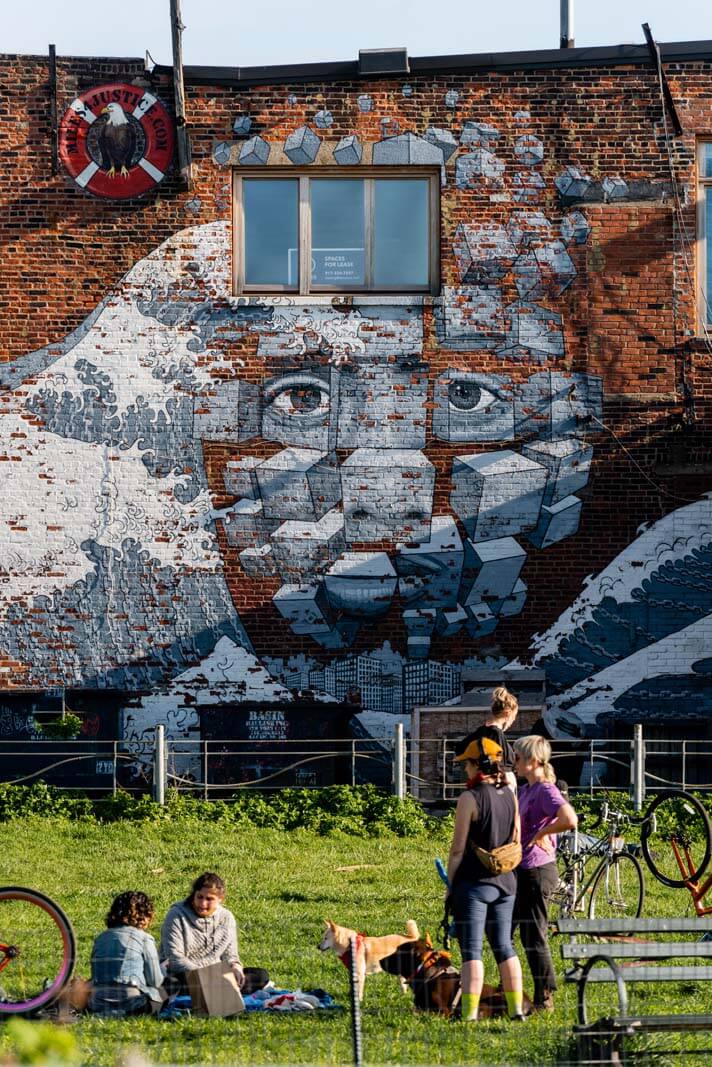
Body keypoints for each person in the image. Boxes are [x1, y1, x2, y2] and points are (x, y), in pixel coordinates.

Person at [447, 735, 525, 1023]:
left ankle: (468, 1014)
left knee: (472, 951)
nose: (464, 770)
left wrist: (450, 885)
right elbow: (516, 837)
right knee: (505, 946)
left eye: (466, 765)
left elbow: (457, 849)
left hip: (474, 884)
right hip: (506, 882)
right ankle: (516, 1010)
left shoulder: (469, 798)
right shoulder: (511, 795)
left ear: (476, 765)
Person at [512, 735, 578, 1013]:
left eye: (517, 757)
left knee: (533, 934)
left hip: (538, 871)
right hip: (523, 869)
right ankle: (524, 992)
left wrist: (542, 832)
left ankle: (545, 995)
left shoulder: (544, 790)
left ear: (534, 761)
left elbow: (570, 819)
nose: (513, 762)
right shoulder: (526, 789)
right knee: (512, 932)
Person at [160, 872, 268, 995]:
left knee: (260, 976)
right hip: (185, 974)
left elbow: (231, 956)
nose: (203, 904)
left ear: (220, 899)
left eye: (209, 899)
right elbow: (175, 960)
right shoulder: (176, 915)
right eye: (199, 897)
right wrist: (207, 976)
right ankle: (225, 990)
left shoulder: (226, 918)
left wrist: (235, 967)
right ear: (193, 895)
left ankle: (222, 989)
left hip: (216, 974)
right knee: (172, 984)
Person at [89, 891, 165, 1016]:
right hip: (131, 1002)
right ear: (144, 915)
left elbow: (95, 974)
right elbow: (155, 981)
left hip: (98, 1003)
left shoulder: (100, 938)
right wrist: (163, 970)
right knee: (166, 989)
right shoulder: (145, 938)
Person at [455, 687, 519, 789]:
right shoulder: (496, 734)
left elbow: (459, 748)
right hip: (500, 785)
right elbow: (499, 764)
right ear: (508, 713)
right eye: (514, 716)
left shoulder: (482, 731)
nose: (513, 721)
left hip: (488, 783)